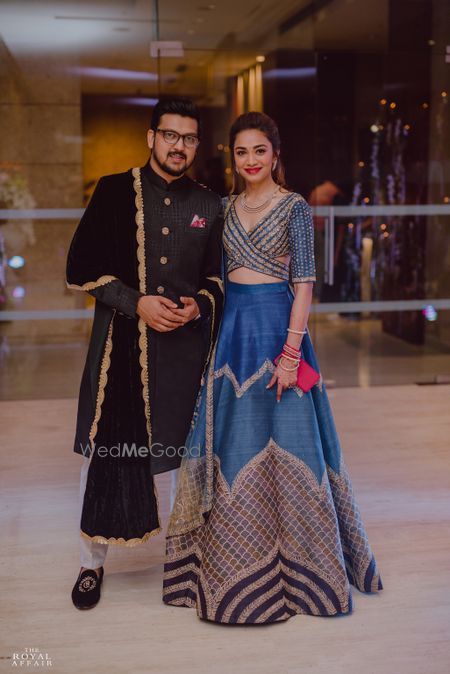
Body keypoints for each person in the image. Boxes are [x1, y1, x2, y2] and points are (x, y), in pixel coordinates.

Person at [163, 111, 382, 624]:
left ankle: (308, 571)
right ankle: (229, 566)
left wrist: (290, 353)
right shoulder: (223, 207)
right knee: (231, 447)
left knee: (294, 443)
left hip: (279, 333)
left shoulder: (295, 208)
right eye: (241, 152)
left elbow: (304, 283)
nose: (251, 160)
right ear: (233, 158)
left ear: (275, 155)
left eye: (259, 150)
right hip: (232, 336)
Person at [66, 98, 224, 610]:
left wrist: (199, 307)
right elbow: (79, 266)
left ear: (197, 145)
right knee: (106, 454)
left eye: (188, 138)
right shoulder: (114, 191)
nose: (179, 146)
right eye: (170, 135)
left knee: (183, 459)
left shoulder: (209, 203)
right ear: (151, 137)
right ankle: (92, 564)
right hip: (121, 352)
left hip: (184, 351)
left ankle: (184, 563)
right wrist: (138, 303)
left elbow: (220, 278)